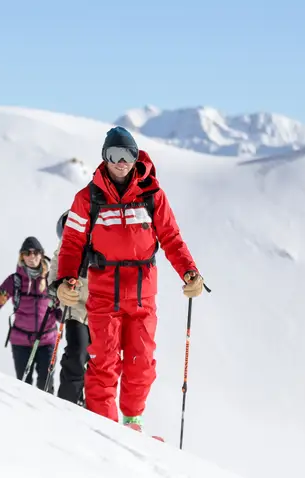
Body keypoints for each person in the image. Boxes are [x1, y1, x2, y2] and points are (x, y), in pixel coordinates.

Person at [53, 126, 205, 432]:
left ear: (136, 157)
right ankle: (104, 431)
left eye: (128, 154)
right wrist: (64, 280)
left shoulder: (153, 196)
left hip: (142, 295)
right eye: (114, 155)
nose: (121, 162)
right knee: (102, 364)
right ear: (104, 158)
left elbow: (172, 238)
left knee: (142, 364)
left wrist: (190, 272)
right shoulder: (88, 198)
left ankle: (132, 424)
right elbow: (71, 243)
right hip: (103, 293)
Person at [0, 236, 61, 392]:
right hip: (21, 342)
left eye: (35, 252)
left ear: (41, 254)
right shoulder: (15, 280)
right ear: (22, 256)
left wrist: (62, 313)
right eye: (27, 253)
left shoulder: (51, 278)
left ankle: (47, 414)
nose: (31, 256)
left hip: (46, 340)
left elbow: (59, 306)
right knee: (23, 386)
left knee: (46, 385)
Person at [48, 210, 91, 406]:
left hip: (102, 309)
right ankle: (68, 402)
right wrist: (57, 287)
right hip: (76, 308)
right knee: (77, 351)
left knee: (98, 360)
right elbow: (55, 269)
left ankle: (91, 403)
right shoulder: (65, 247)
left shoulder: (98, 242)